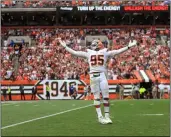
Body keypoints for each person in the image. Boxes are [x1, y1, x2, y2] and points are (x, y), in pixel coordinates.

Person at [58, 38, 137, 124]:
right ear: (98, 45)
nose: (102, 45)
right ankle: (101, 116)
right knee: (103, 97)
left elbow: (75, 52)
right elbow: (118, 51)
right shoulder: (104, 52)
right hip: (100, 76)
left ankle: (105, 116)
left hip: (95, 76)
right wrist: (128, 46)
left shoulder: (89, 53)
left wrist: (65, 46)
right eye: (100, 43)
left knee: (100, 97)